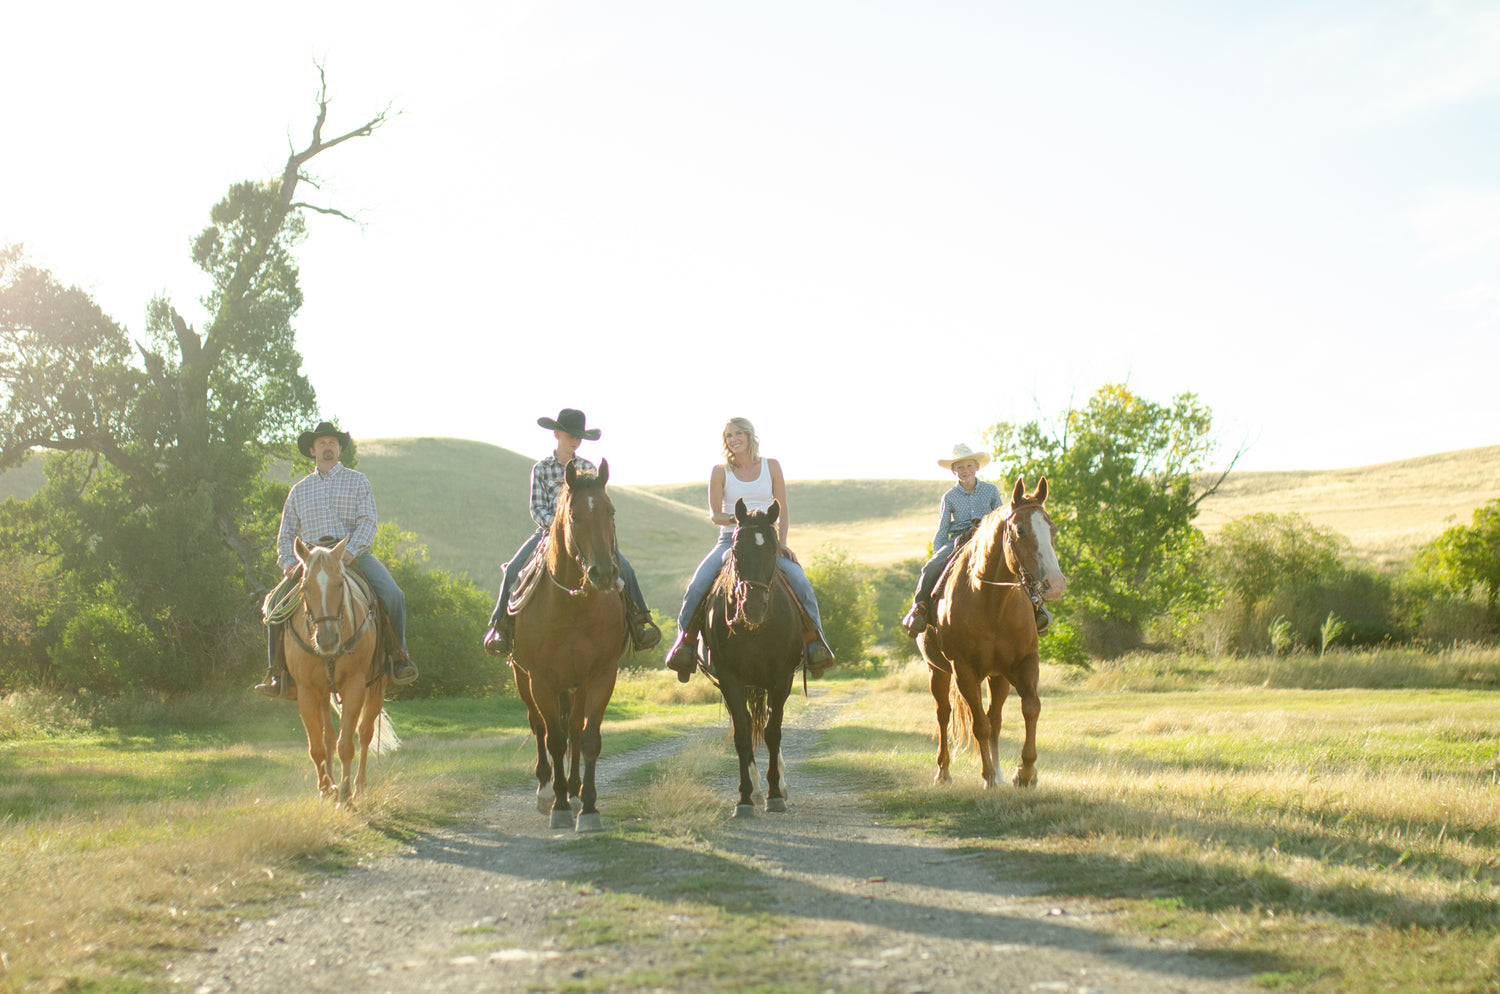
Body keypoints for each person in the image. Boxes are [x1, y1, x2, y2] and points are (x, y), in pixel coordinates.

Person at [255, 421, 419, 698]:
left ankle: (398, 657)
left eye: (332, 442)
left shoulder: (358, 481)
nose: (327, 447)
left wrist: (348, 553)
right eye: (322, 443)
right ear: (313, 450)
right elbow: (285, 535)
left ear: (340, 449)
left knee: (394, 595)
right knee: (274, 605)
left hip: (352, 555)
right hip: (311, 560)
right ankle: (277, 672)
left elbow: (368, 522)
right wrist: (290, 564)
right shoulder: (298, 491)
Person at [663, 417, 834, 682]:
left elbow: (783, 508)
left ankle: (816, 643)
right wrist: (740, 521)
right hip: (732, 540)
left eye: (739, 433)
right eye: (729, 435)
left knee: (801, 582)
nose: (734, 439)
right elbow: (715, 515)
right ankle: (684, 646)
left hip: (768, 543)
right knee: (697, 586)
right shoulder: (720, 471)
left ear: (750, 436)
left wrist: (782, 544)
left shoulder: (771, 466)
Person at [483, 408, 661, 656]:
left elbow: (596, 507)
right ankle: (500, 627)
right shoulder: (541, 468)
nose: (575, 440)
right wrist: (559, 528)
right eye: (570, 435)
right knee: (514, 569)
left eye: (578, 436)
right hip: (547, 534)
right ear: (557, 434)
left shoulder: (588, 467)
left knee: (626, 569)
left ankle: (639, 622)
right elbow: (537, 509)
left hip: (586, 536)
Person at [900, 443, 1005, 637]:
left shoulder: (990, 490)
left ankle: (1035, 606)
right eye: (960, 467)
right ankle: (919, 609)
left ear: (977, 467)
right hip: (959, 540)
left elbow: (1000, 517)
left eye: (968, 466)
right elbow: (943, 527)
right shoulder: (949, 497)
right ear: (953, 471)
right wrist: (938, 554)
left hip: (986, 538)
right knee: (930, 567)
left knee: (1017, 561)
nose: (965, 470)